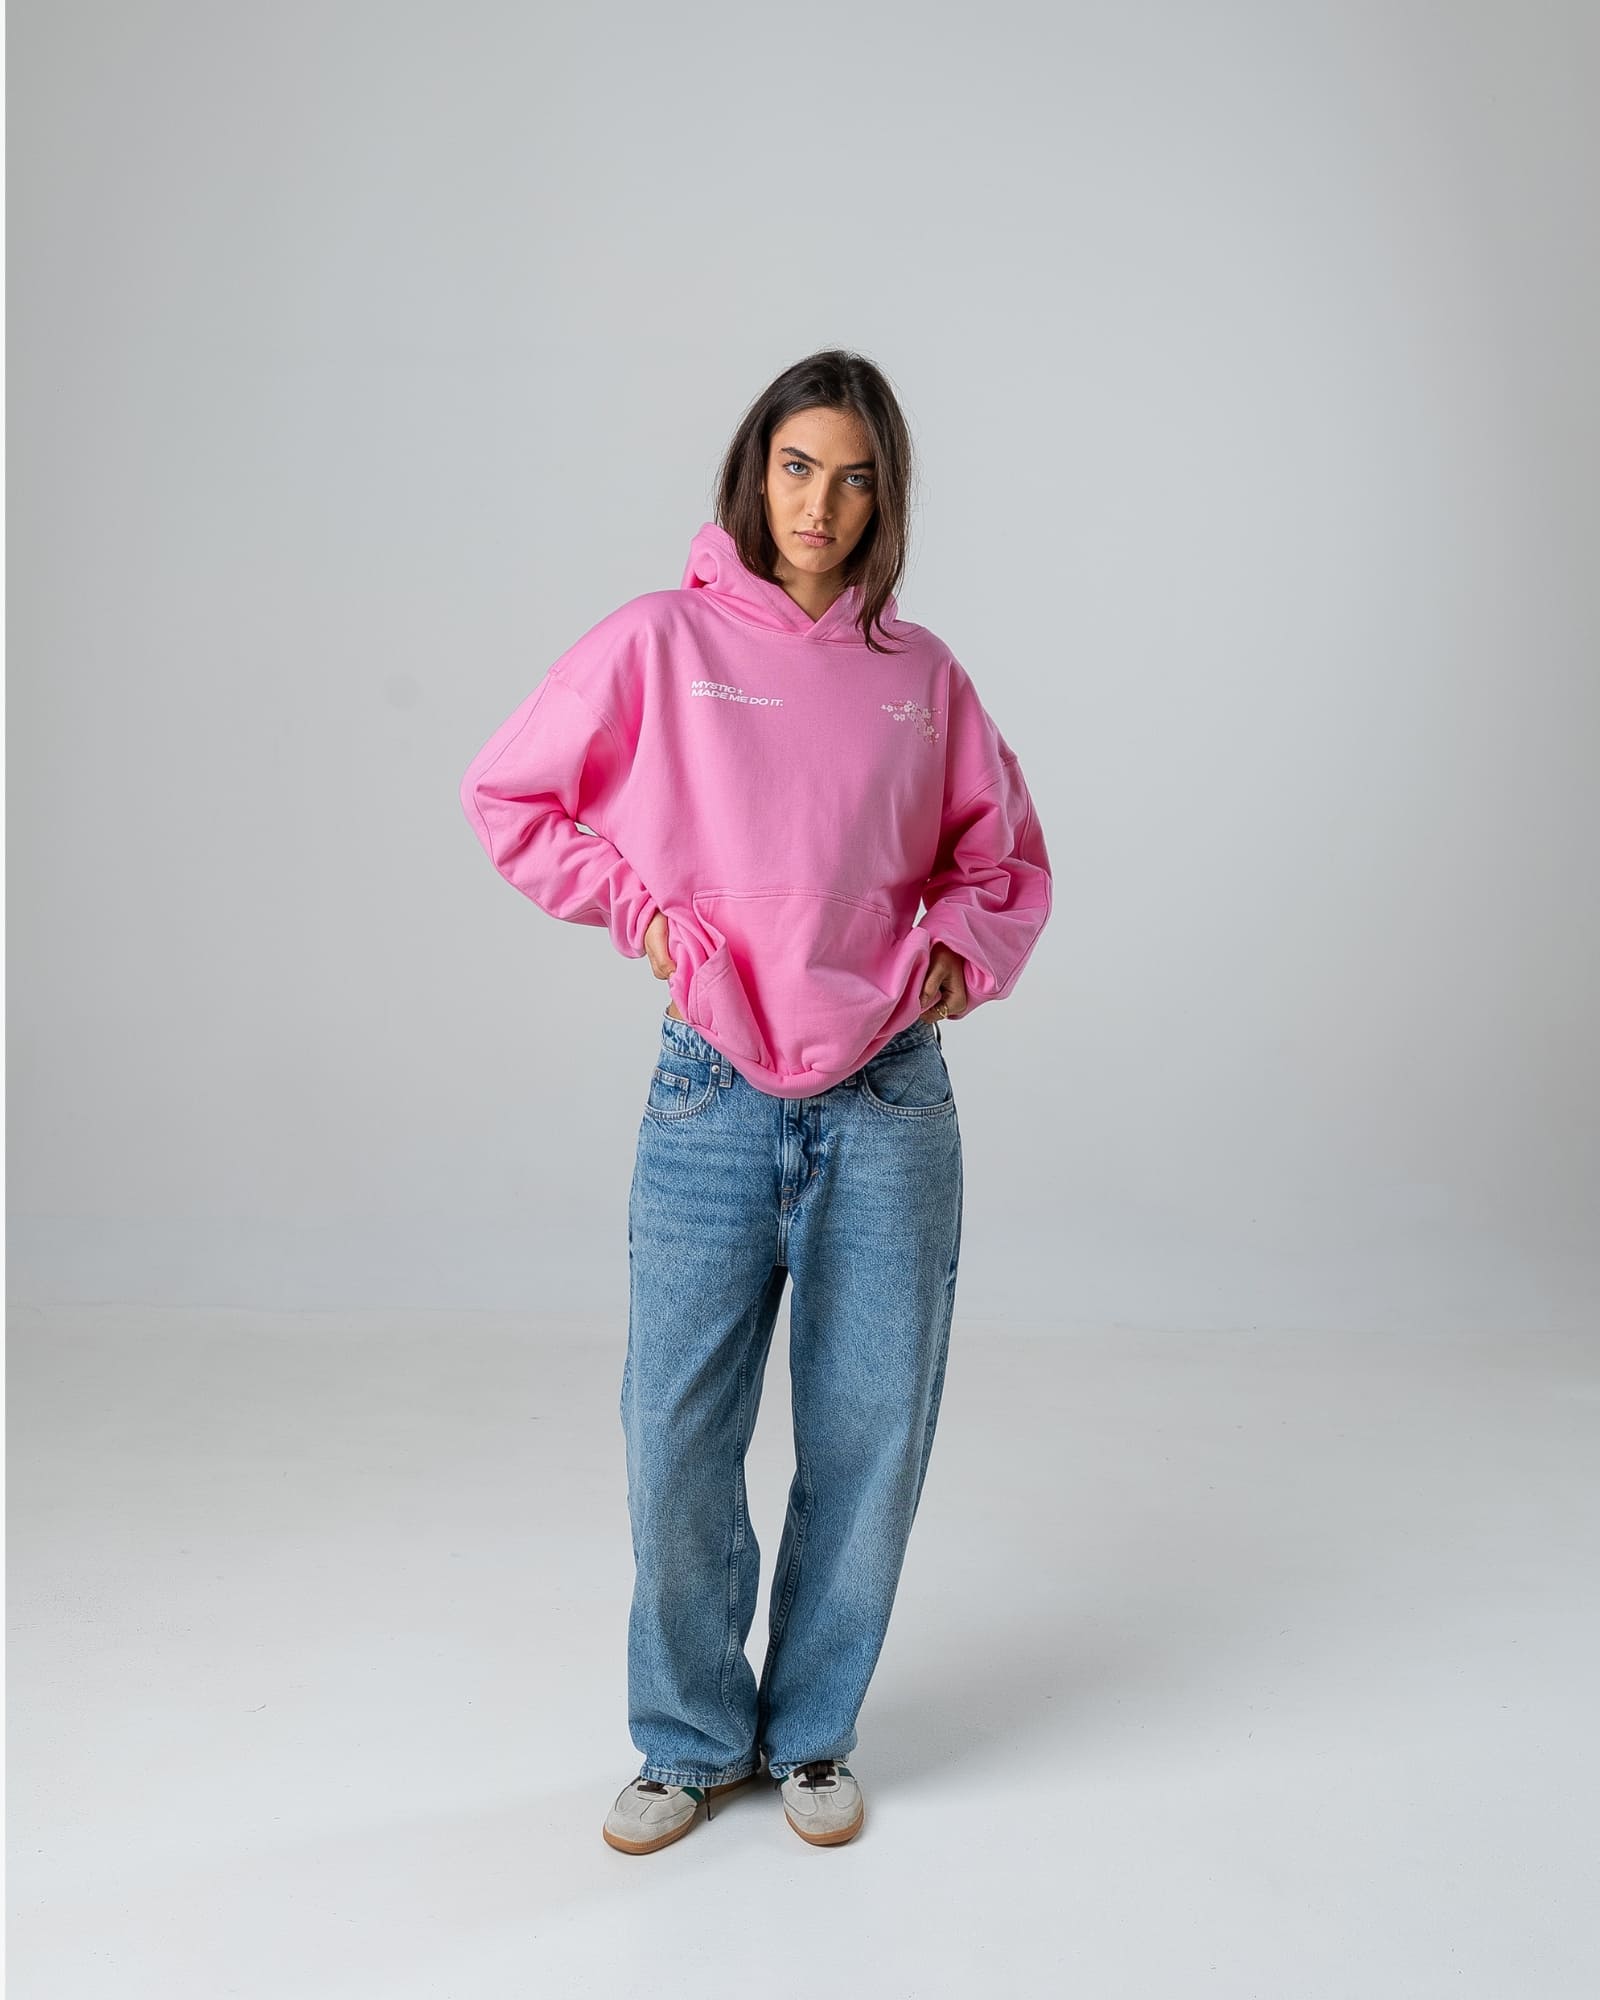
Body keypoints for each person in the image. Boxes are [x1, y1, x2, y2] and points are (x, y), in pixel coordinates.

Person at [459, 349, 1053, 1853]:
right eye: (798, 468)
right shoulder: (660, 641)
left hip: (887, 1101)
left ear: (885, 498)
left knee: (868, 1434)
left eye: (854, 478)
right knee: (675, 1436)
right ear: (755, 471)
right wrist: (642, 915)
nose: (821, 505)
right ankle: (687, 1739)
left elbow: (1004, 860)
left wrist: (958, 954)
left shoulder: (923, 680)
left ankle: (812, 1734)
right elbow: (509, 794)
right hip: (713, 1093)